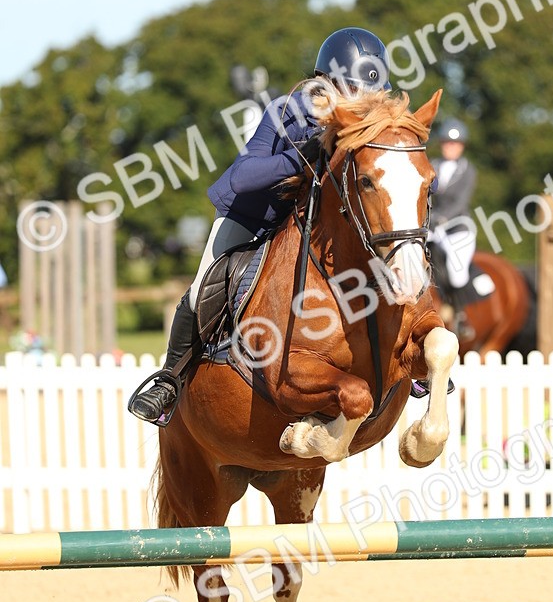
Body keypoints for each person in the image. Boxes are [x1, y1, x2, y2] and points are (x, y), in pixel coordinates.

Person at [129, 27, 392, 423]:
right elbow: (243, 175)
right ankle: (169, 382)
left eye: (368, 94)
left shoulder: (367, 130)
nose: (362, 102)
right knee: (203, 286)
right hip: (251, 217)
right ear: (329, 82)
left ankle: (403, 355)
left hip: (305, 229)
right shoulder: (288, 111)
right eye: (353, 90)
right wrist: (300, 157)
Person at [428, 118, 477, 335]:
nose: (451, 147)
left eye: (455, 144)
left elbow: (460, 203)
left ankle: (460, 317)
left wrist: (440, 218)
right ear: (442, 143)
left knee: (457, 274)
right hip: (433, 228)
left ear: (462, 146)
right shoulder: (432, 166)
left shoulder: (468, 170)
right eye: (447, 143)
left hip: (458, 229)